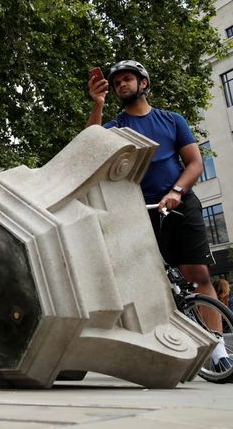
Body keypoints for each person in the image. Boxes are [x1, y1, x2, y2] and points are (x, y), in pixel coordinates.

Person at [88, 60, 232, 372]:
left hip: (181, 204)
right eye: (117, 83)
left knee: (199, 276)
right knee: (148, 284)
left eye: (128, 79)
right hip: (141, 211)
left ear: (143, 83)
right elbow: (90, 148)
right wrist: (98, 105)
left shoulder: (172, 120)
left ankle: (218, 350)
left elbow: (194, 162)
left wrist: (177, 191)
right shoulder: (116, 127)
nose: (122, 85)